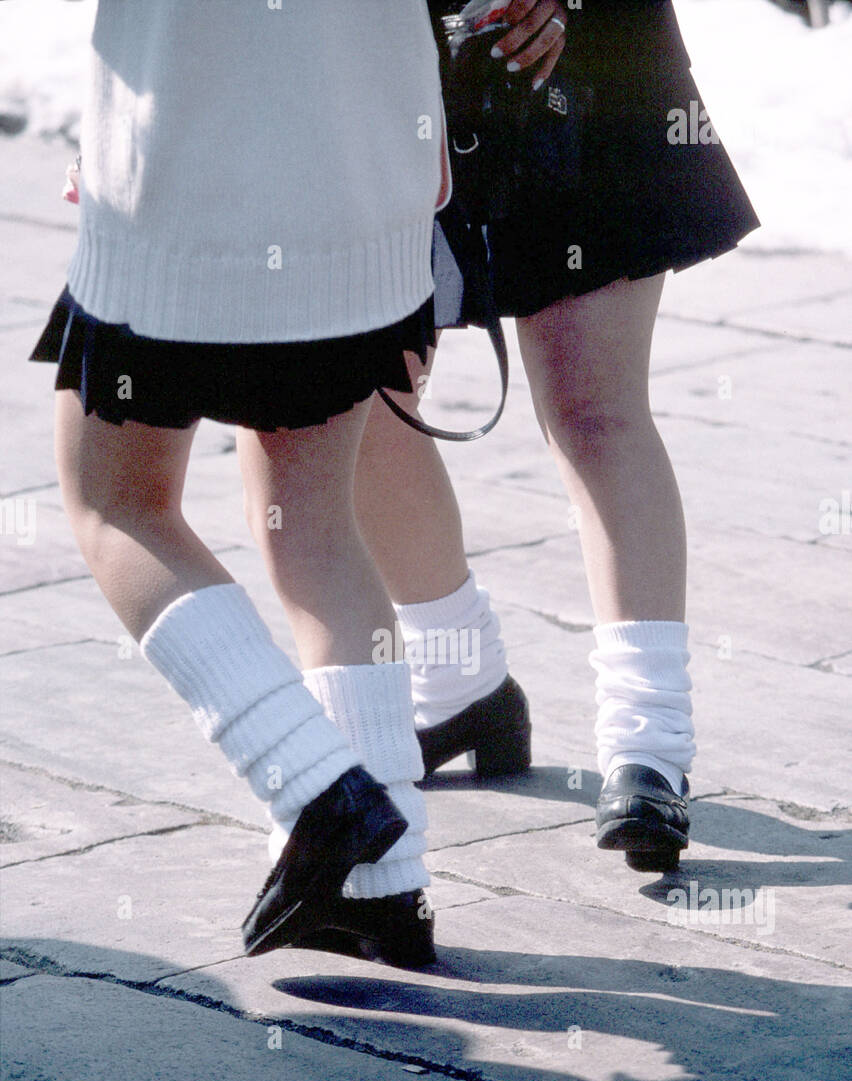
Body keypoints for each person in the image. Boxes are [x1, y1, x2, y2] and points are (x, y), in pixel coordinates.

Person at [30, 0, 451, 968]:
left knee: (114, 503)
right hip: (367, 172)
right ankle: (383, 890)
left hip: (183, 169)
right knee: (319, 526)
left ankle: (317, 789)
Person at [345, 0, 760, 874]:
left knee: (594, 409)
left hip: (589, 44)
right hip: (385, 47)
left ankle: (648, 749)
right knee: (357, 403)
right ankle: (461, 684)